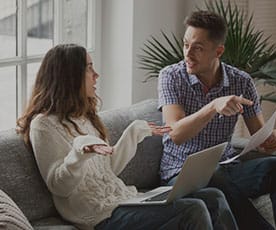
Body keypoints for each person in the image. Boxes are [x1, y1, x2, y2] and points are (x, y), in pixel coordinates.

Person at [16, 44, 238, 230]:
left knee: (213, 197)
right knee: (193, 209)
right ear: (69, 76)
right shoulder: (43, 125)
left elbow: (108, 169)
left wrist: (133, 133)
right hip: (100, 217)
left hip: (126, 200)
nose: (96, 75)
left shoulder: (83, 117)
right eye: (89, 68)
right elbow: (59, 187)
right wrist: (78, 153)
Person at [158, 10, 276, 230]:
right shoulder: (171, 76)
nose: (188, 54)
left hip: (226, 168)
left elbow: (259, 134)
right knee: (215, 178)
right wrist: (212, 106)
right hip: (180, 174)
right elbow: (176, 133)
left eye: (198, 48)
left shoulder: (241, 81)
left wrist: (271, 140)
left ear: (218, 51)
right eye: (185, 45)